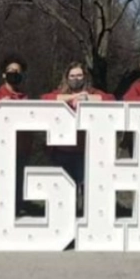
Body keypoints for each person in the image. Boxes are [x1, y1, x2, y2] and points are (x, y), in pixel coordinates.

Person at [41, 62, 114, 193]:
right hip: (62, 151)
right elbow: (45, 99)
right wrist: (72, 98)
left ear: (85, 77)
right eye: (72, 75)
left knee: (88, 188)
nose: (76, 79)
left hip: (86, 151)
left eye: (79, 75)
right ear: (66, 78)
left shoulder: (93, 93)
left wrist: (86, 99)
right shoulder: (60, 94)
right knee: (63, 190)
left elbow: (110, 99)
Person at [0, 54, 32, 212]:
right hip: (3, 148)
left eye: (17, 71)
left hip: (22, 147)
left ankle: (17, 209)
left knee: (18, 181)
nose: (13, 74)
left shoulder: (25, 96)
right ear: (3, 74)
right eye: (10, 71)